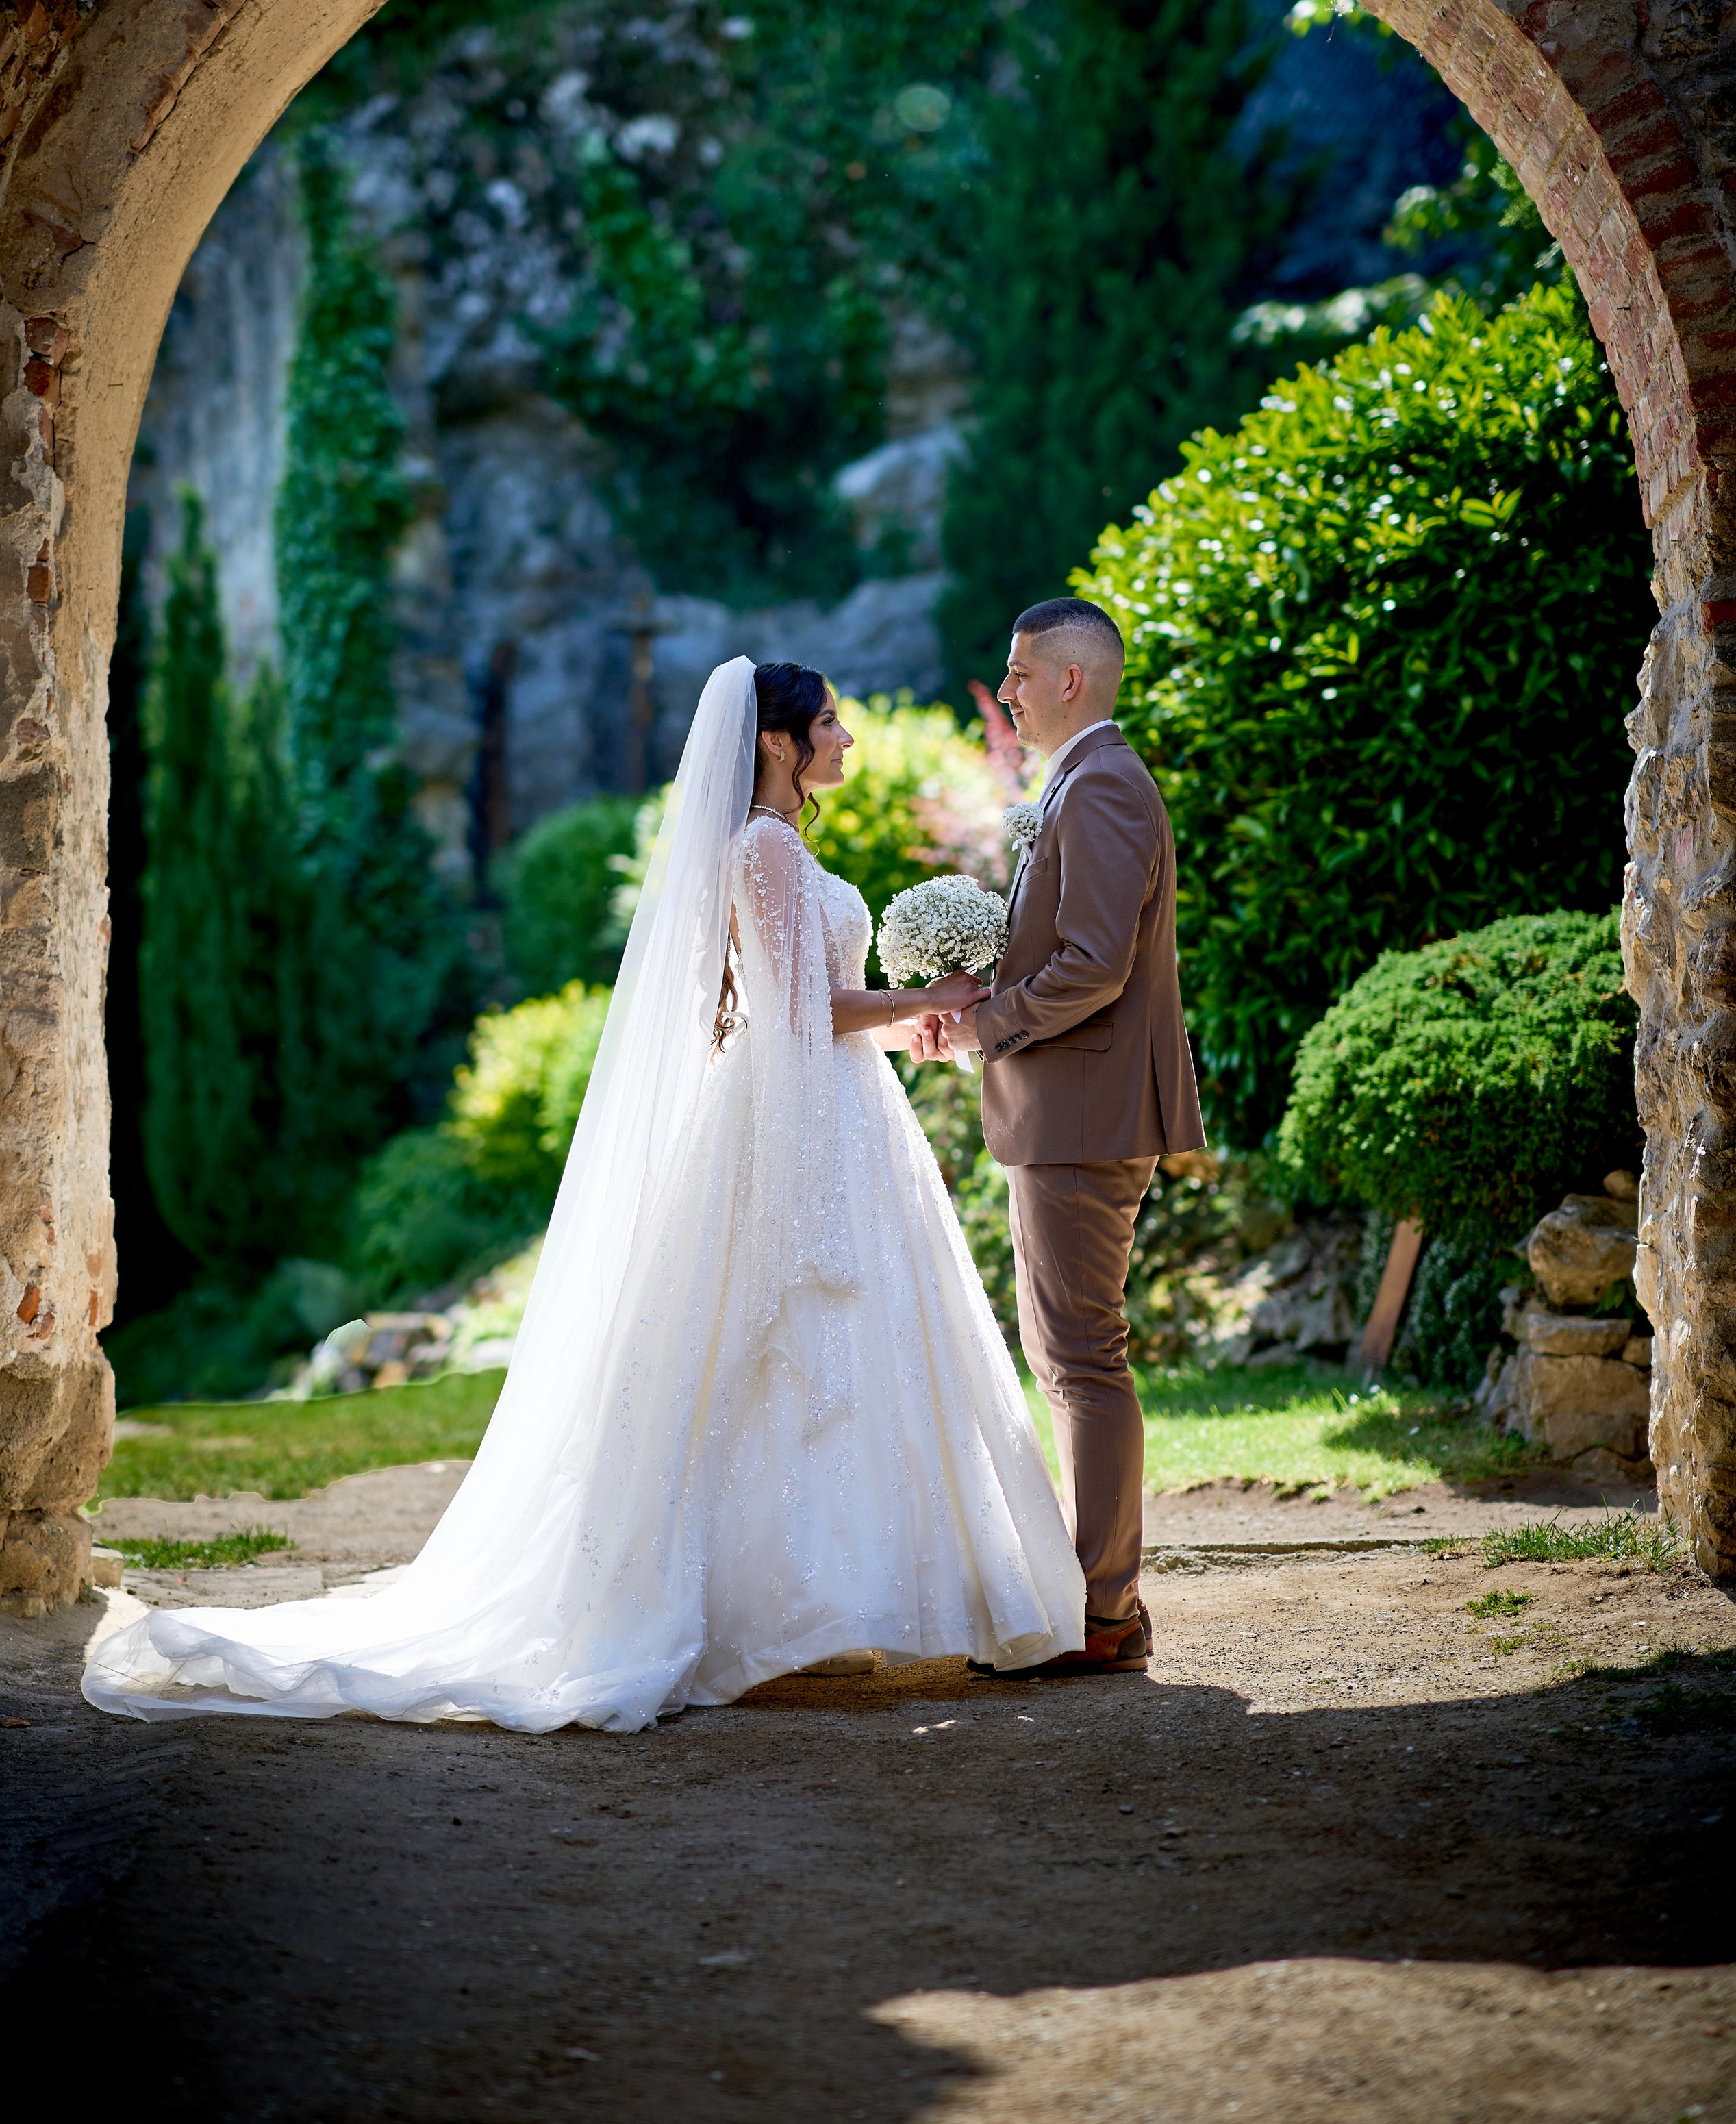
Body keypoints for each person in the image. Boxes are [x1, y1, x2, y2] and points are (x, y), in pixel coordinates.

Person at [84, 660, 1084, 1733]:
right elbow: (797, 1009)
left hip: (835, 1106)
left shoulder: (787, 848)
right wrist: (917, 994)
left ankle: (831, 1608)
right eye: (830, 723)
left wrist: (921, 1023)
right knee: (791, 1340)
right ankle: (792, 1619)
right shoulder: (763, 848)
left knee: (838, 1342)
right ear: (778, 744)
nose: (847, 738)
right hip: (797, 1117)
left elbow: (818, 1013)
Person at [913, 597, 1204, 1678]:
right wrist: (972, 993)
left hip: (1084, 1112)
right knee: (1068, 1353)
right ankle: (1098, 1599)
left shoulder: (1107, 785)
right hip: (1068, 1107)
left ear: (1072, 680)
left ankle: (1103, 1611)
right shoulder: (1079, 786)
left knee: (1081, 1358)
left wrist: (988, 1022)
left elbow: (1094, 966)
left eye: (1022, 672)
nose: (1013, 688)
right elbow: (1066, 947)